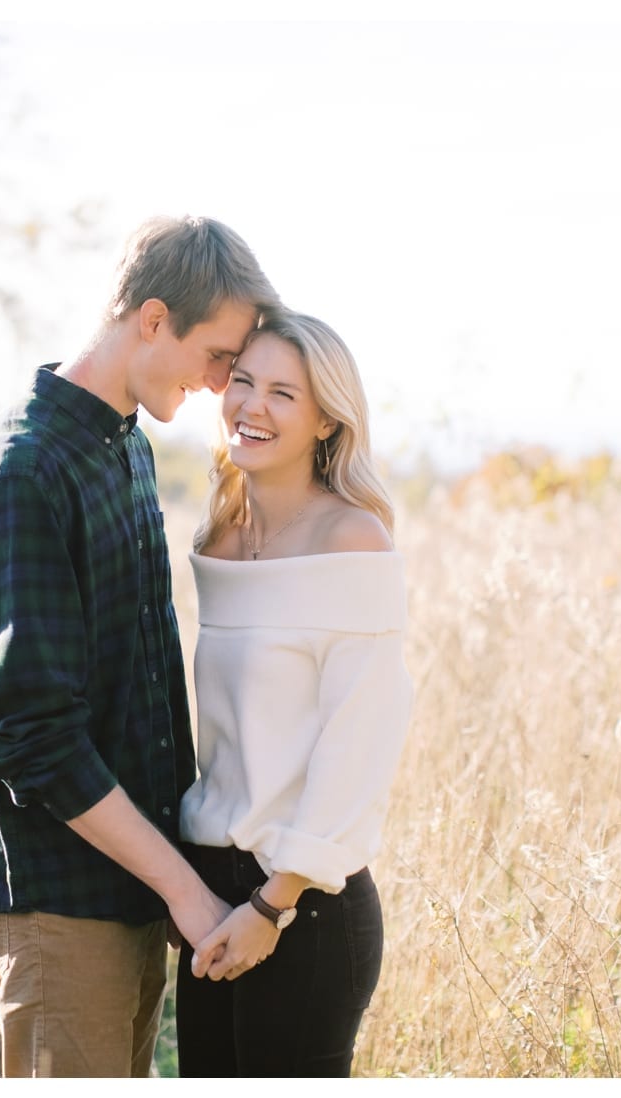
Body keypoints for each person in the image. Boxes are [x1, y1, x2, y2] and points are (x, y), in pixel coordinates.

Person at [0, 215, 282, 1077]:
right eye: (217, 357)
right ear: (154, 318)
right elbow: (30, 734)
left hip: (127, 891)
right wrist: (182, 885)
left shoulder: (123, 443)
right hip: (59, 905)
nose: (219, 386)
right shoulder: (24, 467)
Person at [174, 309, 415, 1077]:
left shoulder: (352, 540)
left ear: (324, 422)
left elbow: (360, 745)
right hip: (212, 892)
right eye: (242, 381)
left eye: (284, 393)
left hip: (302, 903)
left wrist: (273, 905)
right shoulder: (216, 541)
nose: (253, 406)